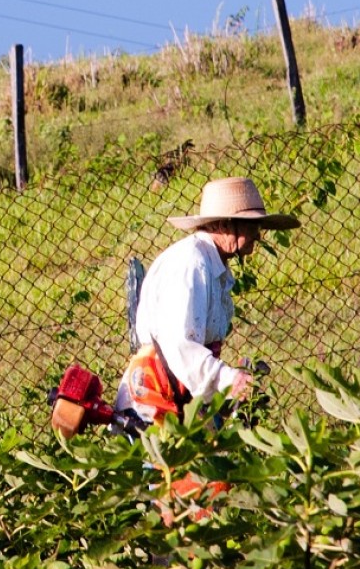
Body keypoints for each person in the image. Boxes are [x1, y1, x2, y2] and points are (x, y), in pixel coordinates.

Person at [116, 176, 300, 427]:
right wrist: (229, 381)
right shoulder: (191, 263)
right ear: (225, 225)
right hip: (156, 404)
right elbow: (180, 345)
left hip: (183, 399)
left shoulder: (211, 263)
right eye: (251, 225)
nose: (258, 234)